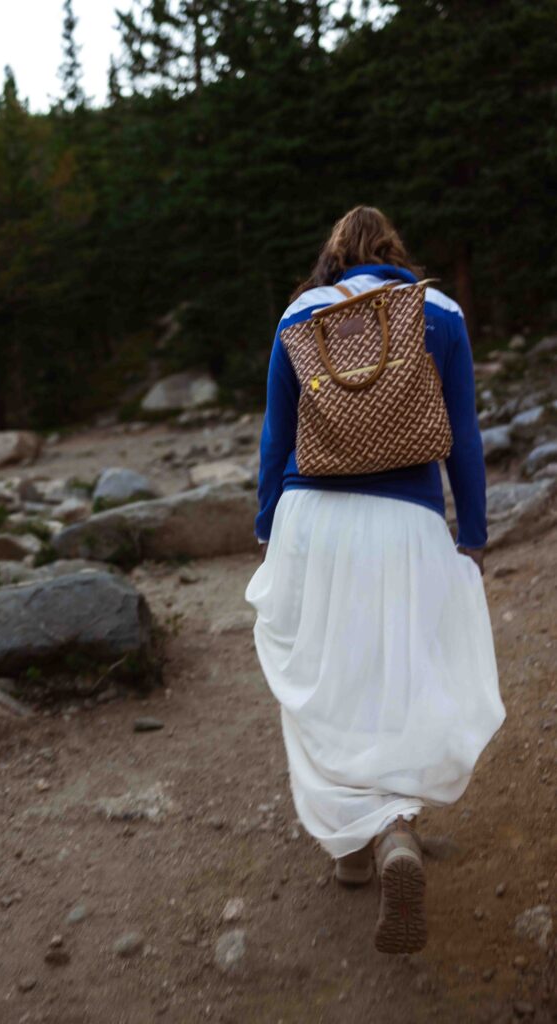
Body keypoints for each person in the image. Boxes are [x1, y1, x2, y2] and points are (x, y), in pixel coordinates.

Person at [244, 205, 506, 955]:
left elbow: (276, 436)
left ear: (333, 259)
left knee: (329, 681)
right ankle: (394, 830)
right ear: (393, 254)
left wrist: (269, 528)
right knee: (402, 676)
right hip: (408, 519)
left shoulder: (301, 314)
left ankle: (350, 846)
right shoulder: (440, 311)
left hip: (313, 518)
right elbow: (464, 435)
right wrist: (472, 535)